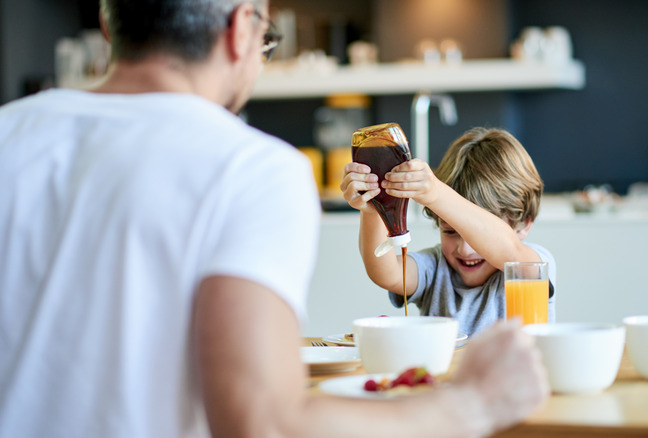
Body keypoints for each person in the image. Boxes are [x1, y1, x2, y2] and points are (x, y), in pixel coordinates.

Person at [0, 1, 549, 437]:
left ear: (106, 23)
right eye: (267, 37)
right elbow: (265, 423)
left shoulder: (9, 133)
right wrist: (471, 407)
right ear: (242, 29)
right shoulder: (251, 168)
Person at [341, 127, 556, 336]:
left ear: (524, 224)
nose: (466, 249)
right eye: (450, 231)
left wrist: (436, 194)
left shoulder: (533, 268)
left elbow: (510, 251)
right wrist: (374, 209)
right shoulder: (435, 267)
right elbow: (385, 272)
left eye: (477, 237)